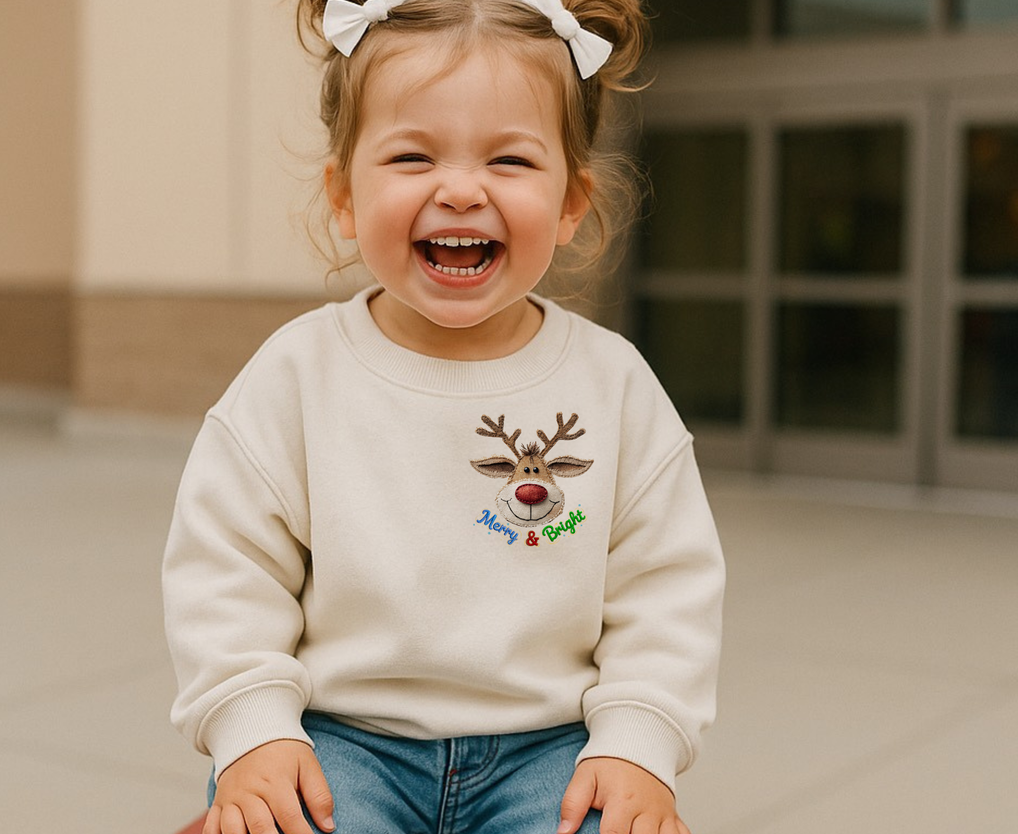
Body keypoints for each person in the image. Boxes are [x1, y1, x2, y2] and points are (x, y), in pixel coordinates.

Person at [162, 0, 725, 832]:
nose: (460, 190)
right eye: (412, 155)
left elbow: (667, 588)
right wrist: (252, 728)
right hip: (340, 738)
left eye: (510, 159)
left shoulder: (613, 386)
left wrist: (638, 743)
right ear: (344, 194)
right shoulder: (296, 376)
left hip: (552, 747)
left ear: (571, 201)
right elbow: (225, 568)